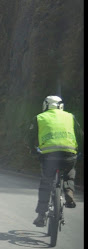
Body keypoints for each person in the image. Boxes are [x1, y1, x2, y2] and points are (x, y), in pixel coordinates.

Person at [28, 95, 83, 227]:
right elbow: (80, 135)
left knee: (46, 183)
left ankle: (41, 215)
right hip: (69, 154)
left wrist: (33, 149)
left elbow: (30, 136)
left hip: (49, 157)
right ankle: (69, 191)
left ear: (45, 105)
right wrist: (80, 151)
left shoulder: (39, 117)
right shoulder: (70, 116)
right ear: (61, 106)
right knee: (70, 172)